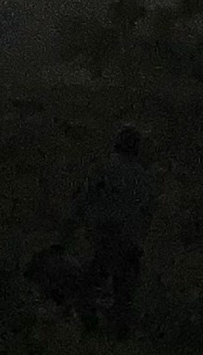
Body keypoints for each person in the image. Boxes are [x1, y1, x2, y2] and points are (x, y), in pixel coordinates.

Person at [64, 123, 157, 339]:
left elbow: (83, 200)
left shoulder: (105, 170)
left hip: (107, 236)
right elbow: (147, 211)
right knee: (124, 293)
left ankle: (92, 330)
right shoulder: (142, 176)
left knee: (87, 286)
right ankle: (118, 335)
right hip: (130, 240)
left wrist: (72, 227)